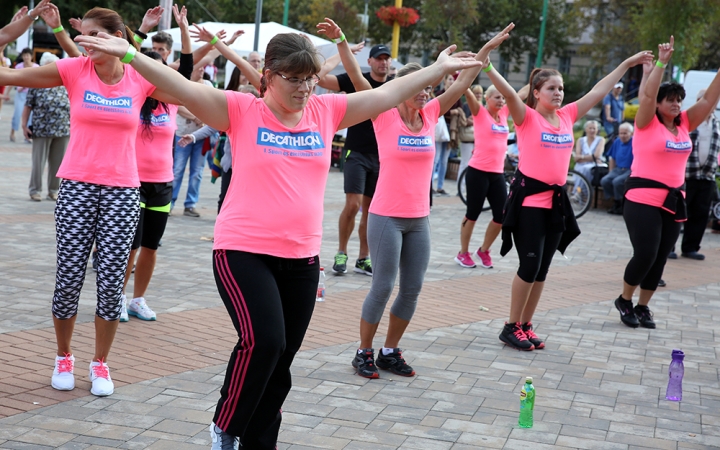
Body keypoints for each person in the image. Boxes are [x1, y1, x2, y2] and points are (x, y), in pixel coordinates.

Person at [76, 19, 482, 448]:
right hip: (242, 252)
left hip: (302, 259)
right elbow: (183, 86)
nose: (305, 88)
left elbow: (384, 94)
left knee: (282, 360)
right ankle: (226, 427)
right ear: (268, 76)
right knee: (265, 341)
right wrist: (128, 53)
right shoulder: (240, 110)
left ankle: (260, 441)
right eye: (294, 79)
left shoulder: (326, 112)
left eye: (310, 79)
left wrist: (438, 70)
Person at [0, 6, 184, 397]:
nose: (88, 42)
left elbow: (184, 87)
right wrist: (15, 31)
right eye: (85, 35)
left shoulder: (138, 77)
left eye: (99, 36)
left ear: (118, 38)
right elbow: (9, 75)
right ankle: (63, 356)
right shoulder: (73, 71)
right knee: (68, 279)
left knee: (111, 284)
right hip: (77, 187)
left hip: (122, 190)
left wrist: (134, 50)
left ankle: (100, 362)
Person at [322, 18, 516, 379]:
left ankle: (389, 351)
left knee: (411, 289)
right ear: (403, 88)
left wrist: (487, 51)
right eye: (422, 87)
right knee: (382, 286)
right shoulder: (382, 114)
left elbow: (462, 82)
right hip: (386, 217)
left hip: (419, 218)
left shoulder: (429, 116)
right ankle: (363, 352)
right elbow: (357, 77)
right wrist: (343, 42)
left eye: (429, 88)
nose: (427, 93)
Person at [485, 48, 652, 350]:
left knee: (543, 270)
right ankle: (510, 326)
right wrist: (489, 68)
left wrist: (627, 63)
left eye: (561, 88)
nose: (559, 92)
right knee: (529, 267)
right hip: (529, 204)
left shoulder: (567, 116)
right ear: (536, 92)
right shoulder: (527, 117)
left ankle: (525, 324)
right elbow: (510, 94)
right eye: (552, 88)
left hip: (556, 204)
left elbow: (598, 90)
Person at [614, 36, 720, 330]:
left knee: (661, 257)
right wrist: (661, 62)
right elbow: (646, 97)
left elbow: (710, 99)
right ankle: (625, 299)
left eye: (678, 100)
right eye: (670, 100)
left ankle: (643, 306)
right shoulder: (646, 123)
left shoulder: (685, 123)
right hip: (642, 197)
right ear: (659, 104)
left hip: (674, 200)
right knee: (646, 252)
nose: (675, 104)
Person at [318, 43, 393, 276]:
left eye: (387, 59)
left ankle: (363, 258)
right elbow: (319, 78)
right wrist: (339, 49)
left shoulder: (394, 87)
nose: (384, 62)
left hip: (381, 157)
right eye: (379, 58)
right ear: (369, 61)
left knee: (371, 211)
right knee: (353, 205)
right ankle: (341, 252)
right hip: (356, 153)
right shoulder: (354, 80)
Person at [455, 85, 509, 269]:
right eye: (497, 97)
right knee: (472, 214)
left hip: (497, 173)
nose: (501, 101)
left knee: (502, 214)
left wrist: (536, 81)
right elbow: (467, 91)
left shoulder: (504, 114)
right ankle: (463, 253)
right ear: (487, 99)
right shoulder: (480, 112)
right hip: (477, 171)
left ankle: (483, 250)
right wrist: (462, 73)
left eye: (503, 98)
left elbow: (522, 94)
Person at [674, 88, 720, 260]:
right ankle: (669, 246)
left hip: (707, 176)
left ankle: (690, 247)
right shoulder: (688, 120)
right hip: (687, 174)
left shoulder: (715, 122)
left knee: (700, 214)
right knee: (678, 212)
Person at [21, 52, 69, 202]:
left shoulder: (64, 83)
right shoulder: (37, 83)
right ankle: (35, 190)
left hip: (63, 129)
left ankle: (53, 190)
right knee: (38, 162)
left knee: (58, 163)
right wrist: (24, 125)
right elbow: (28, 106)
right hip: (42, 128)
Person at [433, 73, 464, 194]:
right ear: (445, 81)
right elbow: (438, 109)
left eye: (453, 79)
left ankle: (440, 186)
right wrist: (452, 112)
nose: (452, 81)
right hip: (440, 128)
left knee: (444, 160)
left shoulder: (456, 95)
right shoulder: (440, 94)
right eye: (450, 79)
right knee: (436, 158)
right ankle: (431, 185)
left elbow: (461, 109)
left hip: (451, 130)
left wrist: (456, 111)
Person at [601, 122, 634, 214]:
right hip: (618, 169)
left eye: (625, 133)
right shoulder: (617, 141)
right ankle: (617, 201)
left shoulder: (635, 142)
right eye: (621, 133)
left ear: (631, 134)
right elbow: (612, 158)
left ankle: (619, 204)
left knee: (617, 182)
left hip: (630, 170)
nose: (622, 135)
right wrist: (611, 172)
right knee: (605, 180)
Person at [10, 48, 38, 143]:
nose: (26, 57)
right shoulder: (19, 66)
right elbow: (12, 80)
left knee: (30, 116)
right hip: (21, 93)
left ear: (31, 56)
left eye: (28, 55)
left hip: (32, 94)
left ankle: (28, 135)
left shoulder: (36, 67)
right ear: (22, 56)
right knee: (17, 113)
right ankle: (12, 132)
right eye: (24, 55)